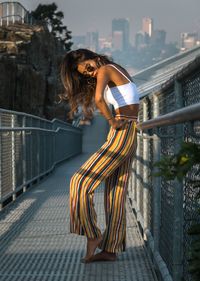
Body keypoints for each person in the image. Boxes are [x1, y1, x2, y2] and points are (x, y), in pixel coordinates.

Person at [60, 49, 139, 263]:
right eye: (85, 74)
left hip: (122, 131)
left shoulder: (105, 68)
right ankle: (110, 250)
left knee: (80, 181)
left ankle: (93, 235)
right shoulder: (116, 69)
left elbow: (99, 100)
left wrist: (112, 122)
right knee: (115, 193)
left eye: (87, 67)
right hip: (130, 131)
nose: (90, 73)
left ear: (92, 58)